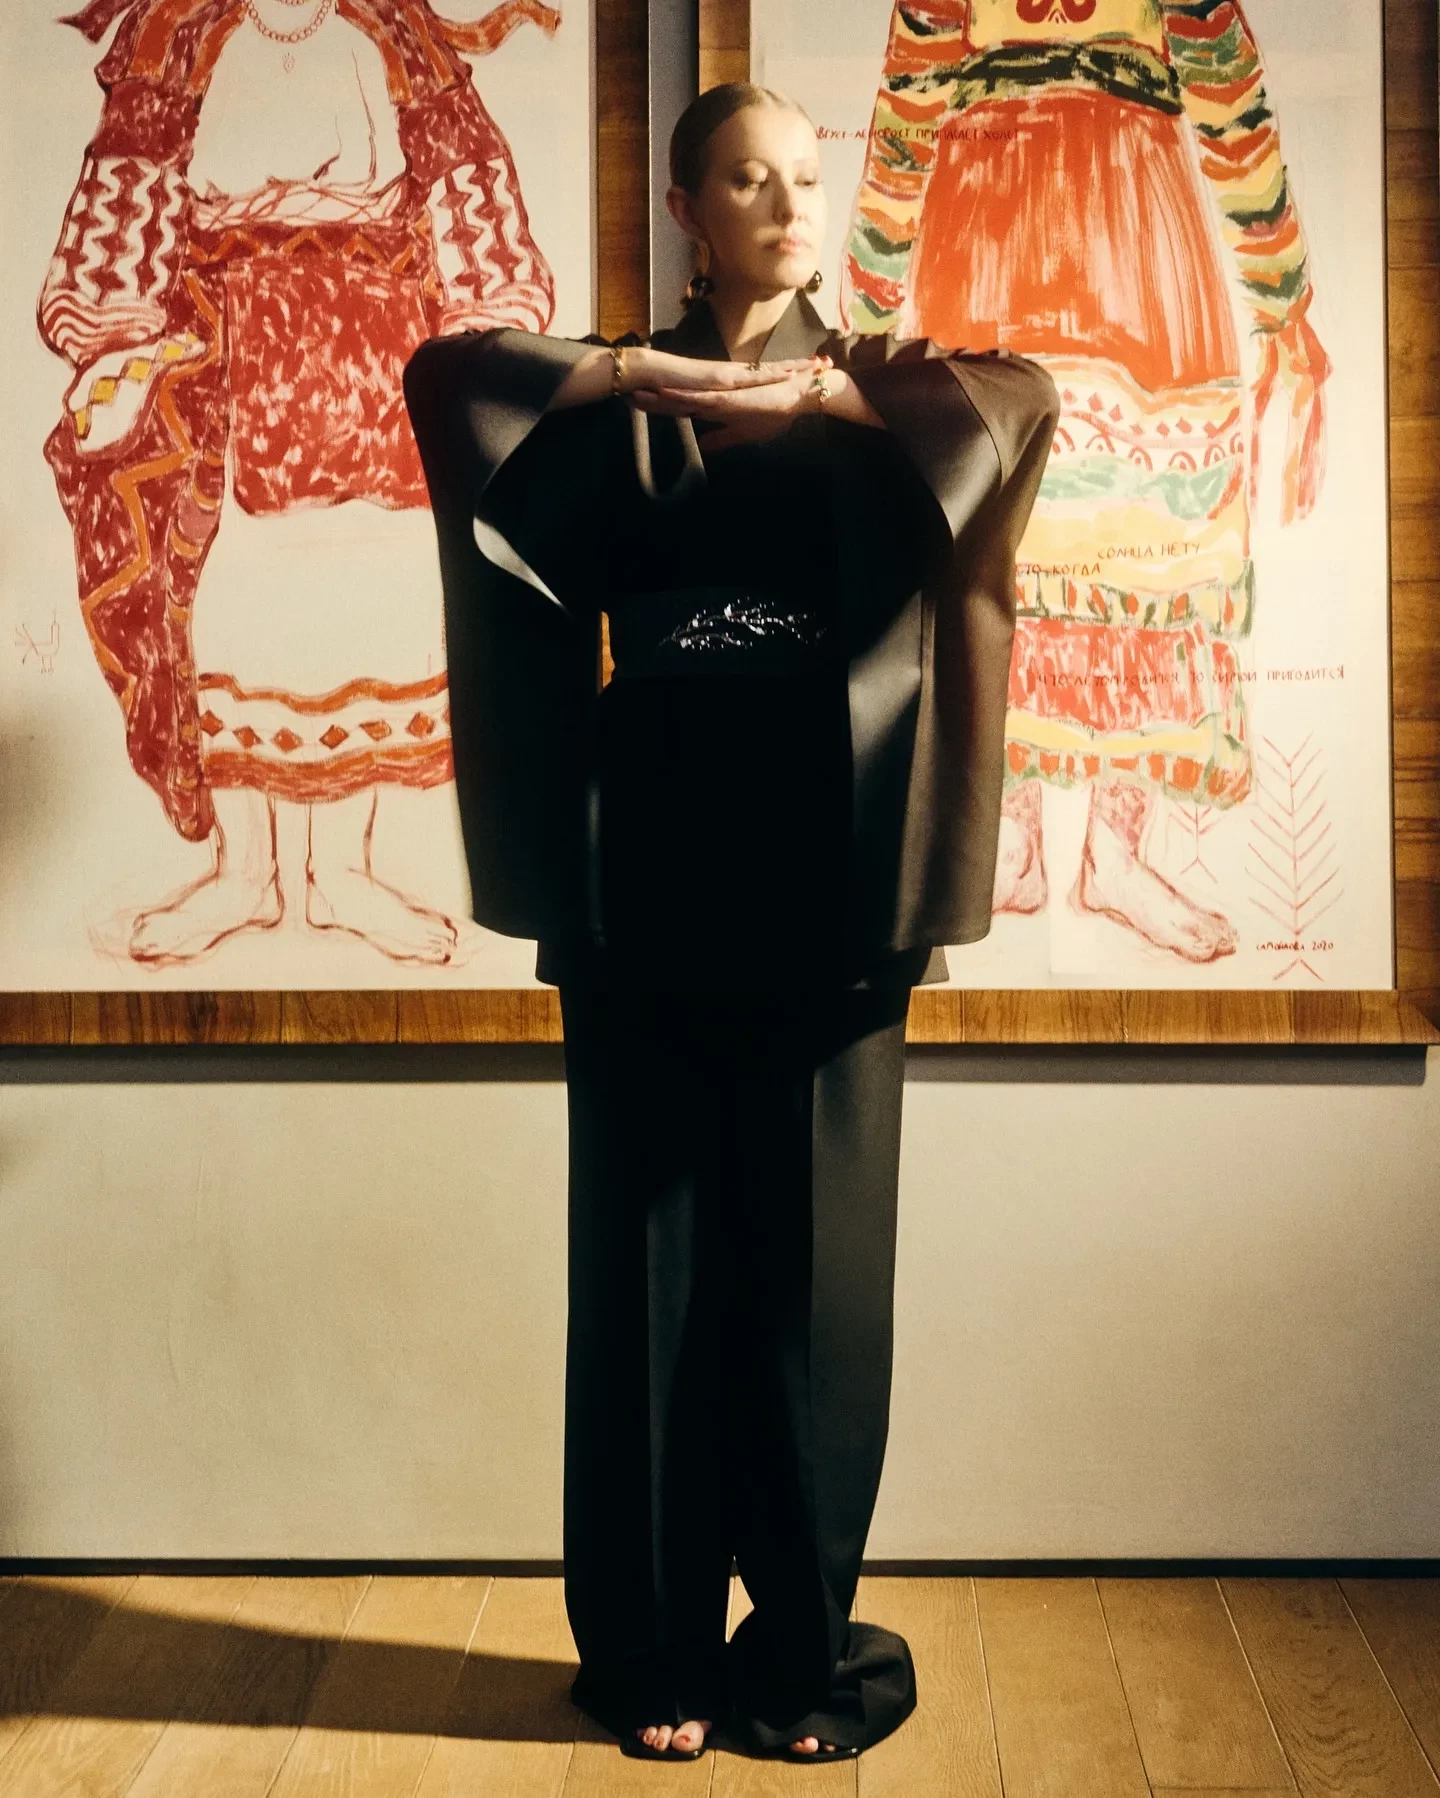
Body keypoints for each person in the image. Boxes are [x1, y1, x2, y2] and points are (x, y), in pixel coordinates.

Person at [404, 83, 1059, 1761]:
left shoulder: (885, 386)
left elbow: (1025, 402)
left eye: (803, 177)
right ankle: (658, 1655)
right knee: (648, 1262)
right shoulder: (617, 390)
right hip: (647, 855)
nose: (785, 203)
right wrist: (640, 375)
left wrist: (820, 394)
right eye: (747, 180)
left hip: (836, 873)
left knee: (816, 1279)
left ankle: (810, 1655)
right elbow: (447, 378)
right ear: (689, 209)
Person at [39, 0, 557, 967]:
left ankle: (342, 873)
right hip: (223, 369)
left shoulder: (399, 36)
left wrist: (485, 338)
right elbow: (127, 198)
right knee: (232, 609)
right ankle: (243, 874)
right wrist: (116, 347)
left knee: (366, 607)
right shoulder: (177, 39)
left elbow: (471, 200)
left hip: (375, 364)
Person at [842, 0, 1329, 962]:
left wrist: (1282, 302)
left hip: (1138, 252)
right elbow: (907, 107)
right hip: (983, 247)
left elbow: (1227, 93)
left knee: (1141, 539)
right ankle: (1009, 840)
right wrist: (863, 312)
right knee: (996, 550)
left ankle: (1116, 852)